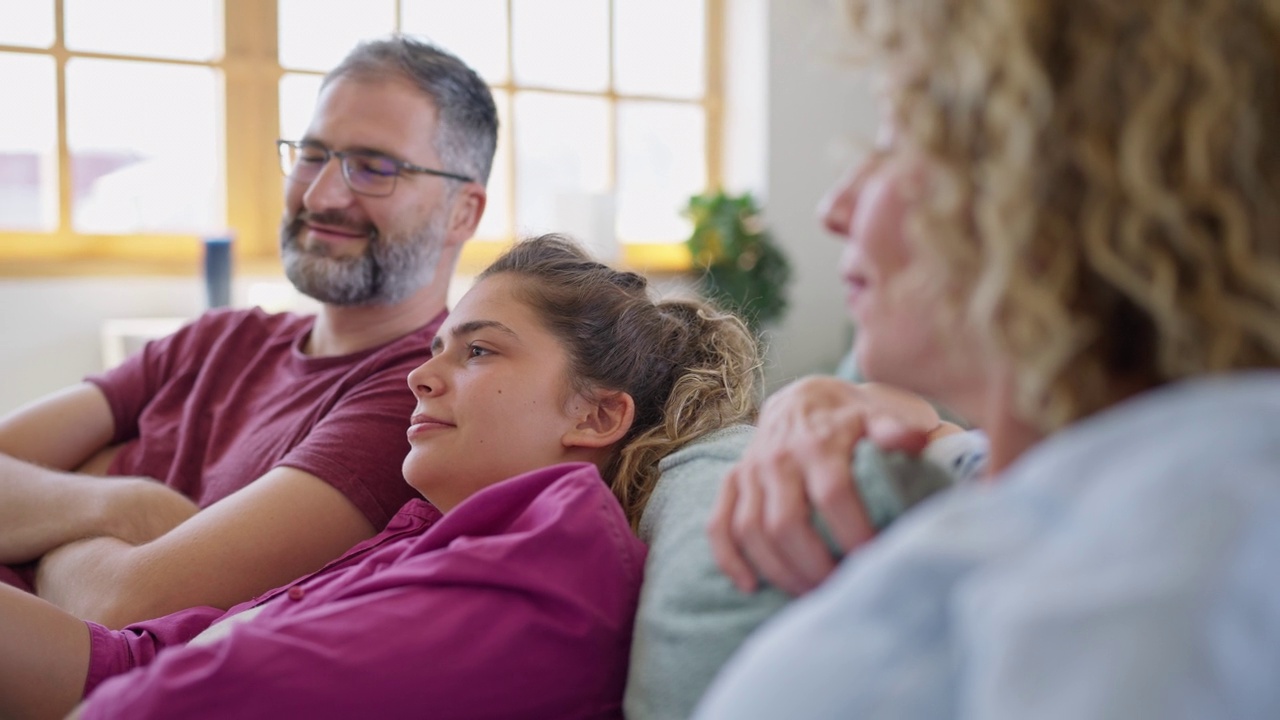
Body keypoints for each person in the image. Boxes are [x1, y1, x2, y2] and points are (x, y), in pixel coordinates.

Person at [695, 0, 1280, 716]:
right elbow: (945, 438)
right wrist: (806, 401)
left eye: (892, 143)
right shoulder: (1147, 461)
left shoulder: (1160, 580)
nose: (834, 206)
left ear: (1036, 187)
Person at [0, 234, 762, 719]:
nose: (421, 378)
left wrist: (65, 510)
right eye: (437, 349)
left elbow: (153, 698)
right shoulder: (425, 534)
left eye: (479, 351)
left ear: (597, 418)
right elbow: (134, 658)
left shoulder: (543, 575)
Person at [0, 34, 496, 629]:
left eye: (373, 168)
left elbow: (125, 604)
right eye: (313, 155)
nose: (321, 194)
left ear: (463, 211)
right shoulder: (217, 339)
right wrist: (127, 505)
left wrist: (45, 516)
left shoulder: (420, 400)